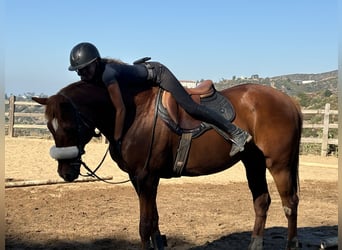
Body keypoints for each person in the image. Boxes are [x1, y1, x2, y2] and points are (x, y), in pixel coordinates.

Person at [68, 42, 251, 157]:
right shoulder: (99, 74)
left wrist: (116, 139)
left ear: (96, 63)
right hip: (143, 71)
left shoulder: (108, 75)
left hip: (159, 74)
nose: (81, 74)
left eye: (85, 69)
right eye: (78, 71)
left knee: (190, 107)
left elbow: (121, 109)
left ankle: (237, 133)